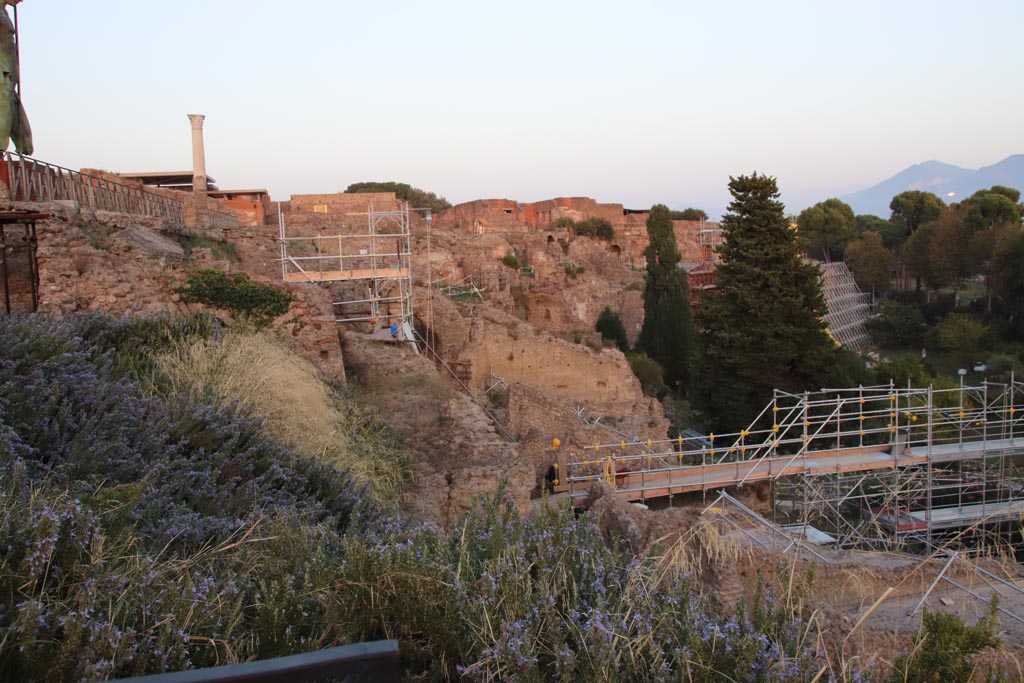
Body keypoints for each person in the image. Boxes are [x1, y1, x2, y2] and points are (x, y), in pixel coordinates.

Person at [0, 0, 31, 154]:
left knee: (11, 99)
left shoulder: (4, 12)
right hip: (3, 68)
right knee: (5, 96)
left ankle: (24, 143)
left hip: (9, 66)